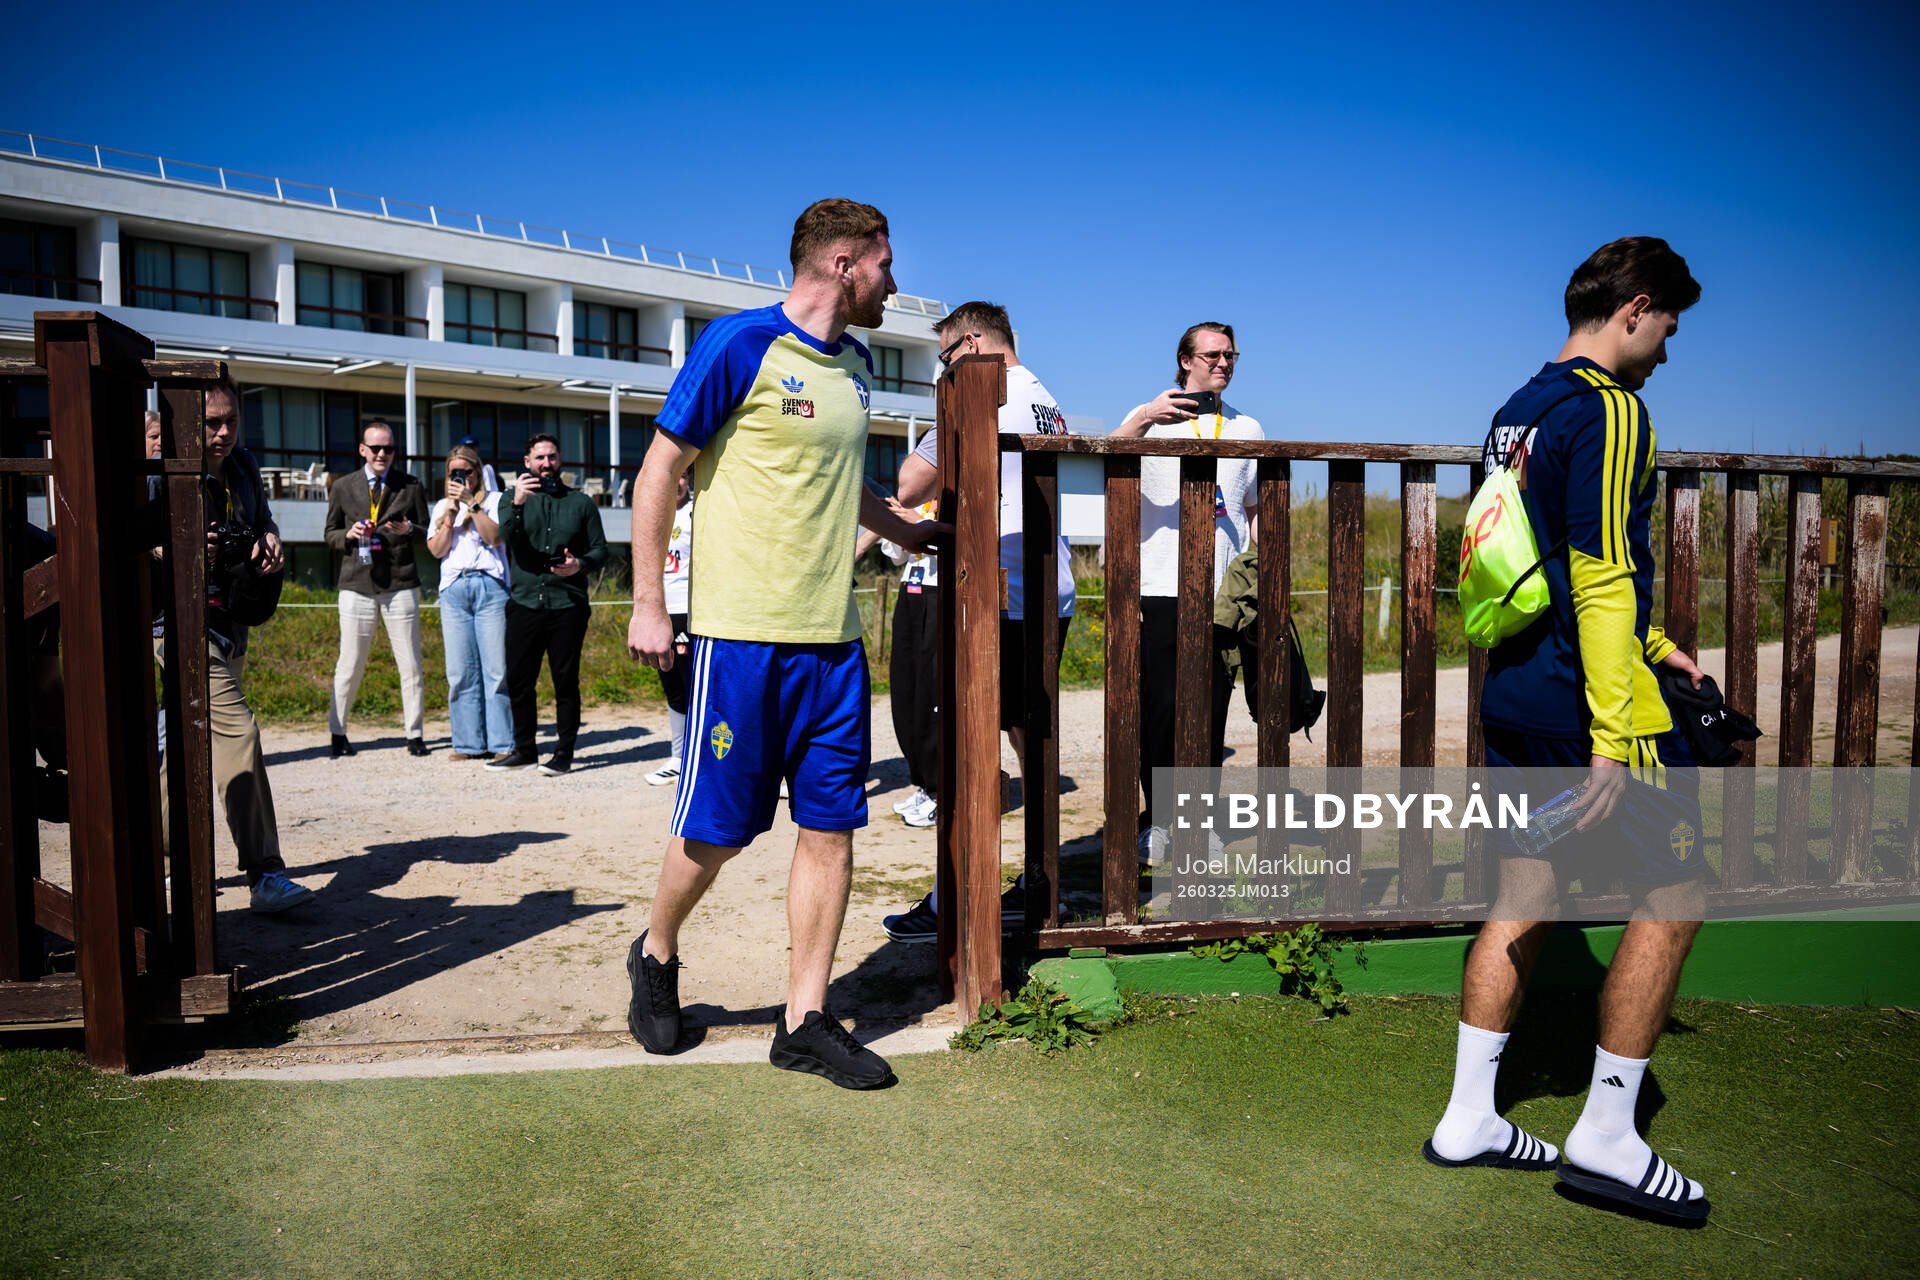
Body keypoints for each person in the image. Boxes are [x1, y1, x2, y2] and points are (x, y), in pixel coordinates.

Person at [623, 197, 941, 1087]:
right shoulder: (739, 343)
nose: (893, 282)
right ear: (844, 262)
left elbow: (846, 479)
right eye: (885, 264)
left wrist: (908, 529)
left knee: (831, 829)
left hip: (833, 643)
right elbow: (659, 471)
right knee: (717, 834)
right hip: (739, 639)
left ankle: (804, 1019)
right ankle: (655, 951)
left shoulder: (859, 366)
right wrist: (649, 605)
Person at [1424, 237, 1711, 1222]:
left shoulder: (1518, 408)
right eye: (1668, 324)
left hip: (1514, 690)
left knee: (1527, 887)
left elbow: (1524, 552)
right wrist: (1611, 730)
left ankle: (1469, 1118)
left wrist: (1658, 643)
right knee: (1677, 891)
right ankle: (1607, 1136)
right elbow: (1600, 570)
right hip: (1586, 706)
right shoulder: (1613, 408)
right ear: (1636, 308)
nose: (1668, 347)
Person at [864, 301, 1076, 943]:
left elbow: (909, 483)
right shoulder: (1044, 397)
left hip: (996, 593)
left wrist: (941, 427)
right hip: (1044, 585)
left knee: (963, 742)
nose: (944, 372)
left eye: (947, 358)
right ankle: (1038, 882)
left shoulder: (987, 398)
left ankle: (957, 895)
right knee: (1026, 738)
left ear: (975, 343)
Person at [152, 382, 317, 913]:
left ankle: (163, 864)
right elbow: (124, 536)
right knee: (239, 734)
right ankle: (265, 874)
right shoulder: (162, 473)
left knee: (183, 749)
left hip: (231, 624)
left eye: (231, 421)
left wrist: (269, 536)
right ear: (187, 423)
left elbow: (261, 518)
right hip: (177, 626)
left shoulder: (243, 466)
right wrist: (175, 546)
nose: (223, 433)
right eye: (211, 423)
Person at [1110, 323, 1265, 857]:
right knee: (1160, 708)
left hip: (1223, 592)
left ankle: (1200, 823)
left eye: (1230, 355)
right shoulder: (1149, 416)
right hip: (1160, 584)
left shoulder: (1249, 428)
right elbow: (1109, 457)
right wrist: (1146, 417)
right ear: (1184, 361)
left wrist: (1261, 573)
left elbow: (1254, 510)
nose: (1223, 363)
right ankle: (1158, 821)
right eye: (1212, 355)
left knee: (1211, 710)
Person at [487, 433, 609, 776]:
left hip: (567, 605)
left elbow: (600, 549)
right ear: (527, 462)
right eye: (539, 458)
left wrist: (578, 564)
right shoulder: (510, 498)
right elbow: (505, 538)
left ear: (560, 460)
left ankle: (564, 754)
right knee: (519, 680)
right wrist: (518, 503)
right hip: (524, 602)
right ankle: (525, 750)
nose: (546, 464)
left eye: (552, 457)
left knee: (565, 681)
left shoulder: (581, 503)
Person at [323, 420, 430, 758]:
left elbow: (427, 533)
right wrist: (349, 535)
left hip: (400, 583)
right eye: (376, 448)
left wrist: (409, 528)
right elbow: (329, 534)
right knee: (349, 664)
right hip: (356, 584)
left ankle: (415, 734)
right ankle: (338, 733)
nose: (382, 454)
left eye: (389, 448)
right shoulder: (343, 486)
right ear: (362, 450)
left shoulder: (411, 485)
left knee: (410, 664)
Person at [427, 443, 513, 762]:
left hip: (490, 585)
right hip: (454, 588)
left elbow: (495, 538)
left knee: (496, 669)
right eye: (454, 472)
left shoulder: (496, 500)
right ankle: (467, 743)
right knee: (460, 671)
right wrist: (450, 516)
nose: (461, 477)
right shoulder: (441, 506)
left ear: (477, 472)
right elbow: (437, 550)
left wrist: (472, 505)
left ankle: (502, 742)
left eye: (466, 471)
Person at [644, 472, 695, 787]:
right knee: (671, 683)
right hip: (660, 611)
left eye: (682, 475)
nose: (676, 481)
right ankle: (678, 757)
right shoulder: (653, 512)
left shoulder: (696, 511)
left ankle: (700, 757)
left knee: (694, 685)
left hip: (690, 611)